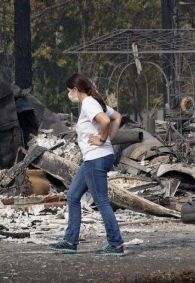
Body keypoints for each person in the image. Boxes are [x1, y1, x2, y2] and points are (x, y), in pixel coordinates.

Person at [48, 73, 125, 256]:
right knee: (73, 196)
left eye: (69, 92)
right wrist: (106, 142)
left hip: (95, 158)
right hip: (95, 157)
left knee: (101, 201)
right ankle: (70, 241)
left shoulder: (89, 103)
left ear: (75, 90)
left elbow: (106, 121)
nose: (70, 95)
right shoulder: (96, 102)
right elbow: (118, 117)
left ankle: (116, 244)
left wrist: (103, 139)